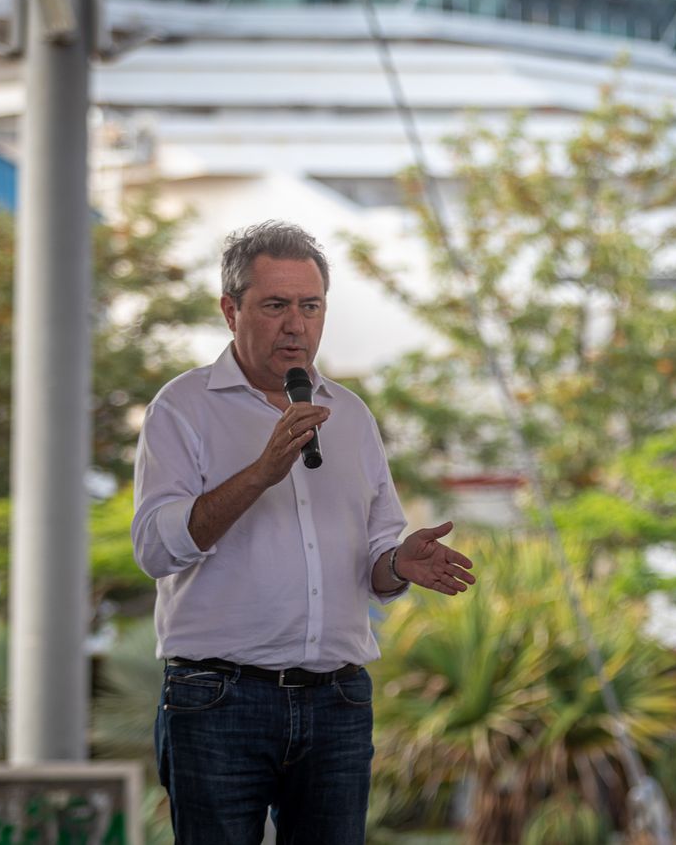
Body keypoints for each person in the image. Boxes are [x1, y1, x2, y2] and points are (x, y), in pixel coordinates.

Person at [132, 220, 478, 843]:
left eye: (310, 306)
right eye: (275, 305)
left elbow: (376, 553)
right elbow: (156, 549)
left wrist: (399, 563)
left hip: (337, 702)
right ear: (229, 310)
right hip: (217, 700)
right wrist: (260, 474)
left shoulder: (349, 414)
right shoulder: (182, 408)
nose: (296, 324)